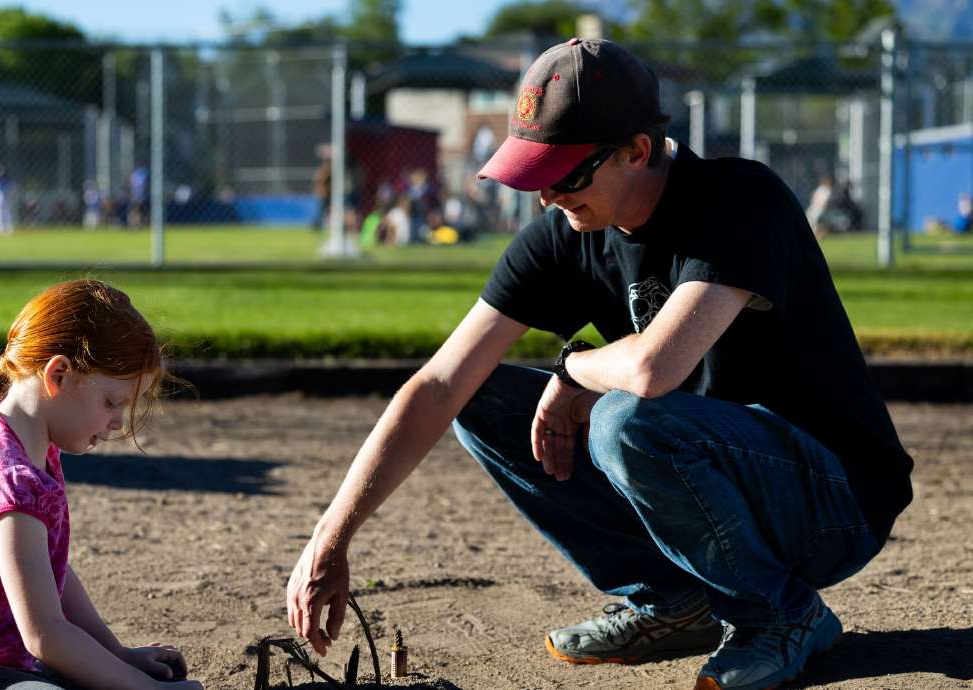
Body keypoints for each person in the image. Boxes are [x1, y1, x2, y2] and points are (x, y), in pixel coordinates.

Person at [285, 38, 913, 690]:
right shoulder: (569, 231)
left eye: (562, 175)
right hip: (714, 470)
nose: (546, 196)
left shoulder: (740, 198)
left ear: (637, 150)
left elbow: (652, 370)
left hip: (834, 500)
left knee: (625, 421)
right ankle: (674, 603)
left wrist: (571, 371)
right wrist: (330, 539)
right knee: (484, 397)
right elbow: (440, 384)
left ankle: (781, 614)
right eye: (534, 174)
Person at [0, 280, 203, 690]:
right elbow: (44, 635)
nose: (119, 422)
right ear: (60, 374)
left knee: (130, 672)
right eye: (112, 402)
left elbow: (50, 571)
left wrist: (119, 655)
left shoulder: (27, 449)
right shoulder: (10, 478)